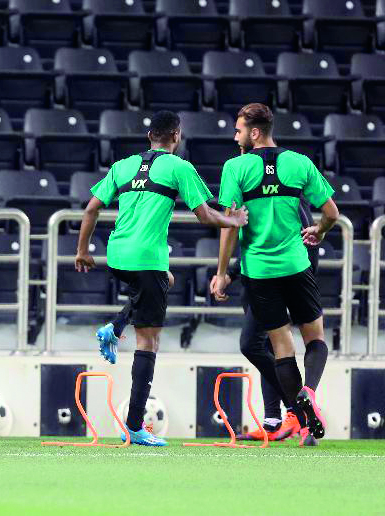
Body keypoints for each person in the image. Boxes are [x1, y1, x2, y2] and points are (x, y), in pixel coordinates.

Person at [76, 110, 248, 446]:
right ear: (176, 136)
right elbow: (205, 216)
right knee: (149, 341)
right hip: (146, 257)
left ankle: (115, 326)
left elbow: (91, 209)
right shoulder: (179, 167)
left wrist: (82, 251)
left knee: (161, 280)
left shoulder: (122, 165)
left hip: (117, 255)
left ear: (149, 137)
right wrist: (236, 222)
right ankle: (135, 426)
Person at [211, 103, 336, 447]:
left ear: (254, 133)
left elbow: (229, 227)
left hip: (259, 272)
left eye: (238, 130)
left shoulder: (235, 167)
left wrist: (222, 272)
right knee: (315, 339)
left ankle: (301, 414)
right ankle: (308, 394)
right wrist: (320, 231)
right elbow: (331, 212)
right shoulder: (299, 162)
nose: (235, 136)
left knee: (281, 348)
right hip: (296, 266)